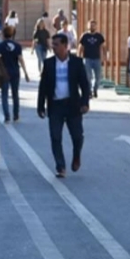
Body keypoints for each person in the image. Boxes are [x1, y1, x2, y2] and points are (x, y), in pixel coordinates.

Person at [37, 33, 90, 178]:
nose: (53, 47)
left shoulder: (77, 62)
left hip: (73, 105)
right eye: (52, 45)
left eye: (56, 45)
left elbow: (85, 85)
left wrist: (85, 103)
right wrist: (40, 106)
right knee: (55, 137)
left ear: (65, 46)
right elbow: (43, 87)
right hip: (55, 106)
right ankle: (60, 166)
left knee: (77, 136)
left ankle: (76, 155)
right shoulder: (48, 64)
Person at [0, 25, 30, 123]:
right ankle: (16, 116)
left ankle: (7, 116)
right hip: (15, 71)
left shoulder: (0, 46)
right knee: (15, 94)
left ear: (3, 34)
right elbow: (21, 59)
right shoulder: (17, 46)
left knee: (4, 95)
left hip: (5, 73)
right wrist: (26, 73)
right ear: (12, 35)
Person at [79, 20, 107, 98]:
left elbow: (103, 46)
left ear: (96, 26)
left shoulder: (99, 36)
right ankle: (89, 91)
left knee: (98, 77)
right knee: (88, 76)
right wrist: (79, 56)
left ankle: (95, 89)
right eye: (91, 25)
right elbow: (81, 47)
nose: (92, 26)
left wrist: (105, 56)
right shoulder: (84, 36)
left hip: (97, 59)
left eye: (94, 25)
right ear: (88, 26)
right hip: (87, 58)